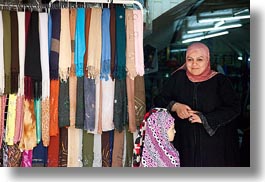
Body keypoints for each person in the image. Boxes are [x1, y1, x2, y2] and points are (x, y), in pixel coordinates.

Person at [154, 42, 241, 167]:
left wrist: (205, 118)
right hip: (183, 143)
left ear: (208, 60)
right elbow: (158, 100)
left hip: (214, 146)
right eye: (190, 59)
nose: (194, 64)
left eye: (199, 59)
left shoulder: (220, 81)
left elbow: (234, 108)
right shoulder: (177, 78)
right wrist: (175, 106)